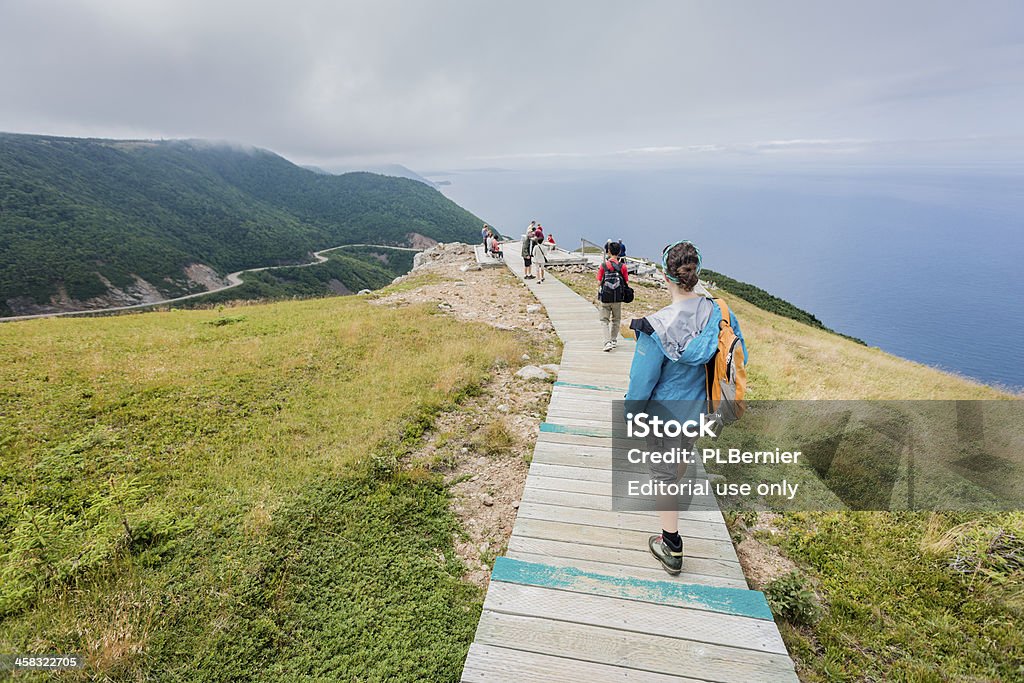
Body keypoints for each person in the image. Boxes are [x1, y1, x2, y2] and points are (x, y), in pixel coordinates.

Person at [622, 240, 746, 576]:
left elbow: (642, 381)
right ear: (694, 274)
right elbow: (736, 356)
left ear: (666, 277)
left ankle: (671, 545)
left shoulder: (657, 327)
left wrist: (631, 415)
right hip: (700, 411)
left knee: (663, 478)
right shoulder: (720, 313)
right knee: (677, 462)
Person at [596, 242, 628, 351]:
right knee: (616, 319)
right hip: (617, 297)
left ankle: (607, 342)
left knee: (604, 320)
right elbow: (626, 282)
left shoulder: (604, 265)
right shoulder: (622, 266)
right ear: (619, 252)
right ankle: (614, 340)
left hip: (605, 297)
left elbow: (599, 281)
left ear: (608, 251)